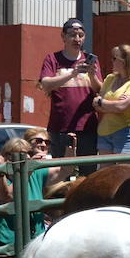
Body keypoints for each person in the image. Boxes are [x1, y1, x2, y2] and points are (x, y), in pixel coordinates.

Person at [38, 17, 102, 166]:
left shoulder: (90, 59)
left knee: (87, 174)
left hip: (87, 128)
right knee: (61, 174)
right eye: (72, 35)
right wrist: (73, 73)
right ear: (63, 36)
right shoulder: (52, 59)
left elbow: (99, 89)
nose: (77, 39)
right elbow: (46, 84)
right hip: (60, 127)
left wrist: (92, 75)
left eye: (81, 35)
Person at [93, 44, 130, 154]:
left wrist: (102, 102)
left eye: (115, 58)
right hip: (105, 132)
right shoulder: (110, 78)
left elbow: (121, 107)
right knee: (106, 171)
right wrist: (113, 105)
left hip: (127, 132)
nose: (112, 61)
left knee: (125, 169)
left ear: (125, 62)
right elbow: (97, 105)